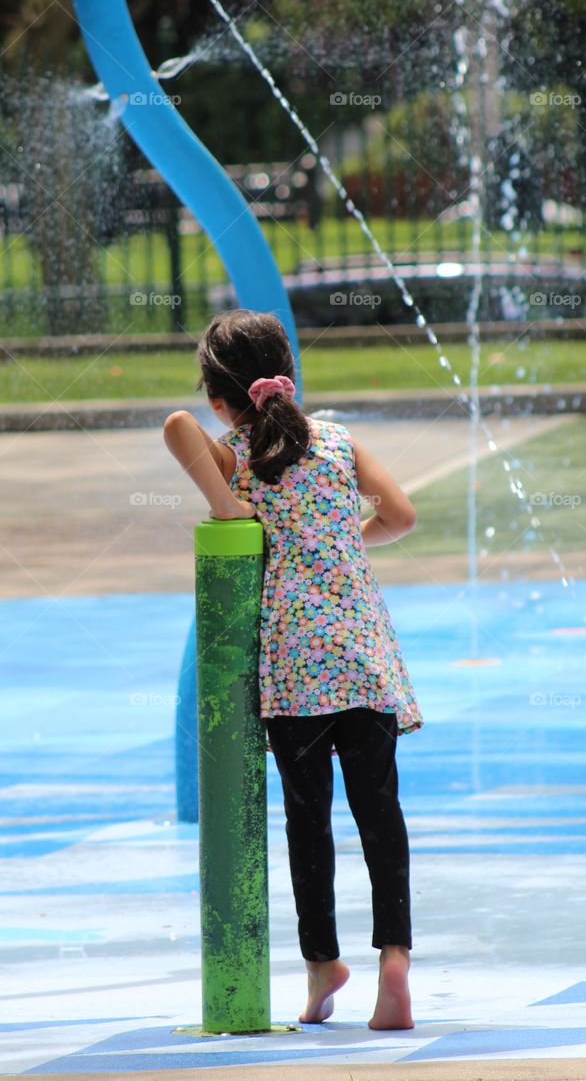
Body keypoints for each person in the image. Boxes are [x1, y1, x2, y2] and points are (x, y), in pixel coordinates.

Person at [163, 307, 423, 1031]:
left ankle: (322, 968)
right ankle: (394, 961)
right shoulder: (339, 442)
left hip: (292, 670)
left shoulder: (235, 454)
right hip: (364, 658)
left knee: (309, 821)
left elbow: (175, 426)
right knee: (382, 816)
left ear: (222, 397)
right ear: (288, 372)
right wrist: (345, 543)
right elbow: (401, 515)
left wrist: (229, 503)